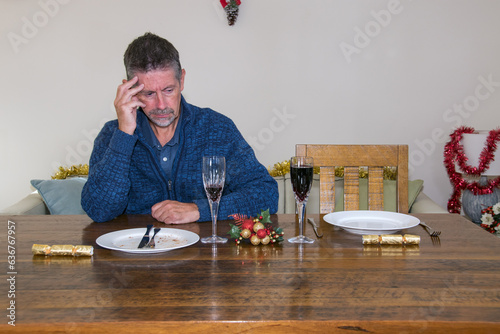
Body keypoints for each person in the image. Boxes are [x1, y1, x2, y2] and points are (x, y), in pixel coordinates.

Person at [81, 32, 278, 224]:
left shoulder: (216, 128)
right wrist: (124, 134)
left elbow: (266, 194)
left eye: (168, 90)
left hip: (203, 253)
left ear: (182, 80)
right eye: (149, 93)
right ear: (129, 90)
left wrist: (199, 210)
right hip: (137, 253)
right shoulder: (112, 135)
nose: (161, 105)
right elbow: (99, 210)